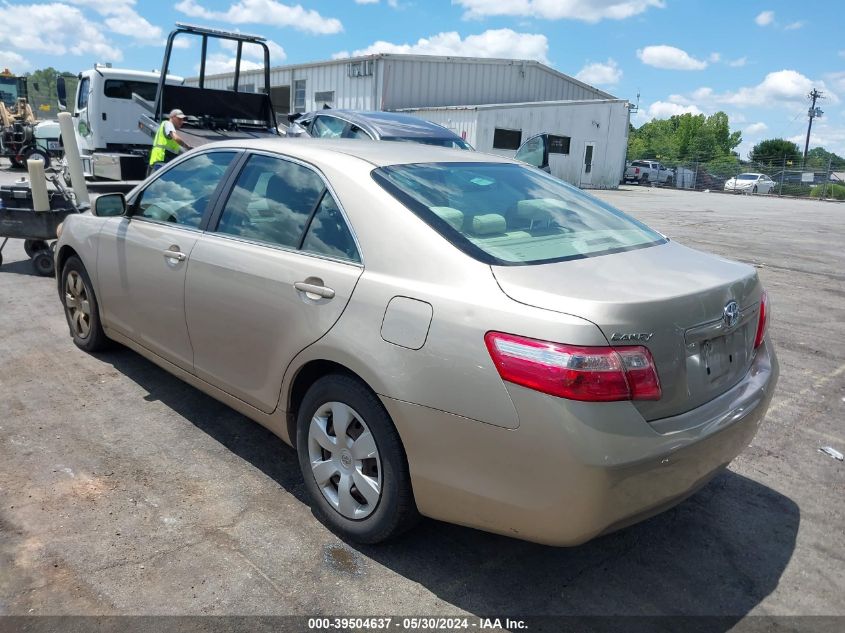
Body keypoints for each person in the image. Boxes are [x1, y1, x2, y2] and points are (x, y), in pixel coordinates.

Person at [148, 109, 189, 174]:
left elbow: (177, 150)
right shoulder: (168, 124)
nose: (181, 121)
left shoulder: (167, 128)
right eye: (179, 119)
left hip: (161, 162)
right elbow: (175, 138)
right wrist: (187, 147)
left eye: (182, 119)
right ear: (172, 117)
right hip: (161, 161)